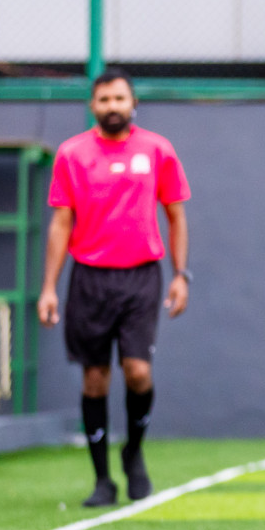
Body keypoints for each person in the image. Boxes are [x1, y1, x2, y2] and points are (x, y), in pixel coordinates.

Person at [38, 70, 191, 507]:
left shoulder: (157, 149)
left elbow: (176, 215)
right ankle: (102, 478)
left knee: (138, 371)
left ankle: (134, 452)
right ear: (93, 105)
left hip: (142, 275)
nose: (112, 106)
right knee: (94, 378)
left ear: (132, 101)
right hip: (89, 277)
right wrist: (49, 287)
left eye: (119, 98)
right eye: (103, 99)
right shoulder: (72, 153)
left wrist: (181, 274)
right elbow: (61, 223)